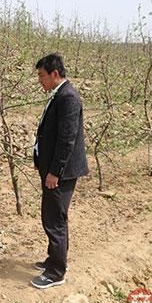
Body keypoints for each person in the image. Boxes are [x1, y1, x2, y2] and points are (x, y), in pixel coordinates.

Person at [31, 53, 88, 289]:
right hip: (53, 170)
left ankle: (56, 272)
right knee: (53, 215)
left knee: (55, 219)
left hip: (60, 173)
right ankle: (54, 259)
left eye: (42, 76)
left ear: (55, 74)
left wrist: (55, 171)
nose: (40, 81)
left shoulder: (69, 98)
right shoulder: (59, 95)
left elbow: (67, 139)